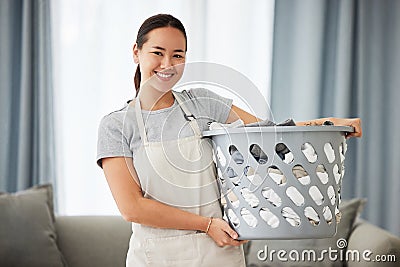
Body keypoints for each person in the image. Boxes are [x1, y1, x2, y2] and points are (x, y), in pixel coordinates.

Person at [96, 14, 362, 267]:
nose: (168, 64)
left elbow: (270, 134)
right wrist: (206, 225)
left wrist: (330, 124)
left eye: (178, 55)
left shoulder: (202, 103)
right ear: (136, 52)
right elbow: (132, 208)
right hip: (156, 256)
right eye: (158, 52)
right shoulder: (116, 125)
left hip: (218, 251)